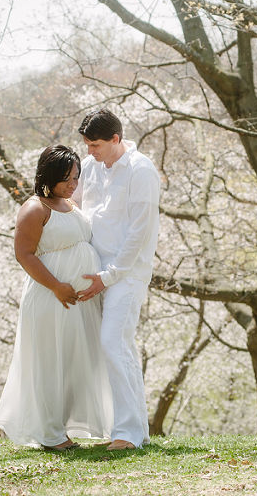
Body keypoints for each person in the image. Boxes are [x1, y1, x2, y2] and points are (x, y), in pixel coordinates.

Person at [0, 145, 113, 451]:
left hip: (78, 302)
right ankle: (50, 435)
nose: (73, 184)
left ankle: (65, 428)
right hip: (51, 298)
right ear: (49, 175)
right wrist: (57, 285)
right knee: (50, 362)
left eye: (76, 177)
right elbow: (24, 254)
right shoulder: (35, 208)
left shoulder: (69, 203)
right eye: (67, 178)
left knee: (73, 363)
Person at [74, 108, 160, 451]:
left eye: (95, 144)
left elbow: (139, 232)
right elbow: (76, 205)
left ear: (115, 139)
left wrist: (109, 276)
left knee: (113, 342)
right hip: (93, 269)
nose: (89, 151)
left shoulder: (141, 169)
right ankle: (133, 431)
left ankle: (127, 434)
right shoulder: (91, 166)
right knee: (117, 348)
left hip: (126, 273)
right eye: (86, 144)